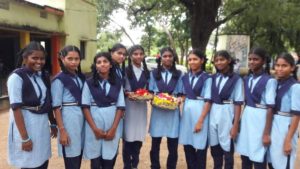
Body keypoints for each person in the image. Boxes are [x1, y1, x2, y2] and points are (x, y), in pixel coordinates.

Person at [7, 41, 56, 169]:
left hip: (41, 124)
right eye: (34, 58)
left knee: (42, 160)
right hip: (26, 124)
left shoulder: (42, 76)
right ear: (25, 58)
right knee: (28, 162)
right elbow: (16, 108)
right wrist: (24, 138)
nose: (39, 61)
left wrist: (53, 122)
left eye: (42, 58)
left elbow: (47, 101)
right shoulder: (16, 78)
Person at [82, 52, 125, 169]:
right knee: (95, 161)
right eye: (99, 62)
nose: (102, 64)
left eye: (105, 61)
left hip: (112, 123)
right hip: (94, 124)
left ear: (111, 65)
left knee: (109, 160)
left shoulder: (117, 83)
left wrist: (113, 129)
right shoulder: (89, 82)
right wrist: (95, 129)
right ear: (95, 66)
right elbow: (85, 106)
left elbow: (120, 107)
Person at [236, 47, 276, 169]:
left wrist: (266, 133)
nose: (252, 62)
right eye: (250, 59)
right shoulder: (247, 79)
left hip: (261, 119)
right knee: (245, 154)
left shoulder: (269, 81)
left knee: (259, 155)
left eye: (256, 59)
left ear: (263, 61)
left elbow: (270, 108)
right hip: (248, 118)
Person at [51, 45, 85, 169]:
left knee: (79, 153)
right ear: (62, 58)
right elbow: (56, 107)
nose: (74, 62)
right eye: (70, 58)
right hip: (69, 119)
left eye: (76, 59)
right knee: (72, 156)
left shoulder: (79, 77)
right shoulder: (59, 80)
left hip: (81, 119)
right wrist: (62, 130)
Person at [148, 47, 183, 169]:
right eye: (165, 56)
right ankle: (155, 165)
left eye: (170, 56)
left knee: (173, 144)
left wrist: (179, 99)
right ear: (160, 58)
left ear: (173, 58)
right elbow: (151, 91)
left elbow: (181, 93)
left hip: (172, 112)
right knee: (155, 143)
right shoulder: (153, 73)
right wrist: (153, 99)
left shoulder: (178, 74)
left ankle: (171, 166)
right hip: (158, 111)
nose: (167, 58)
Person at [209, 50, 244, 169]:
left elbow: (238, 103)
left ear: (229, 60)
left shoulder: (236, 79)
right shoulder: (213, 78)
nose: (219, 62)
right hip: (214, 111)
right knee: (215, 147)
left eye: (222, 59)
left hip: (227, 112)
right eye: (217, 60)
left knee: (227, 148)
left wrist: (235, 125)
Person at [178, 49, 211, 169]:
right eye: (190, 59)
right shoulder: (185, 77)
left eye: (195, 59)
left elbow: (208, 100)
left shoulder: (207, 78)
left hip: (200, 112)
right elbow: (184, 94)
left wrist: (201, 120)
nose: (192, 62)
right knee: (187, 145)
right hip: (187, 113)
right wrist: (180, 99)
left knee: (201, 146)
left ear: (202, 60)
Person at [268, 53, 300, 169]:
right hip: (273, 125)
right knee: (272, 162)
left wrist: (288, 140)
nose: (279, 69)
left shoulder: (295, 87)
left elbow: (296, 115)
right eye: (277, 65)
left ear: (292, 67)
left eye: (284, 66)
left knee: (283, 163)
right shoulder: (275, 84)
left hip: (285, 127)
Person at [122, 45, 150, 169]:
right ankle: (127, 165)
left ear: (143, 55)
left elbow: (150, 89)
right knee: (128, 138)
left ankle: (135, 164)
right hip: (129, 107)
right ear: (130, 56)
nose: (138, 56)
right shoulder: (125, 71)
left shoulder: (147, 71)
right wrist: (127, 93)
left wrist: (149, 95)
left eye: (141, 54)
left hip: (141, 107)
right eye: (135, 54)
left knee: (138, 137)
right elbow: (121, 89)